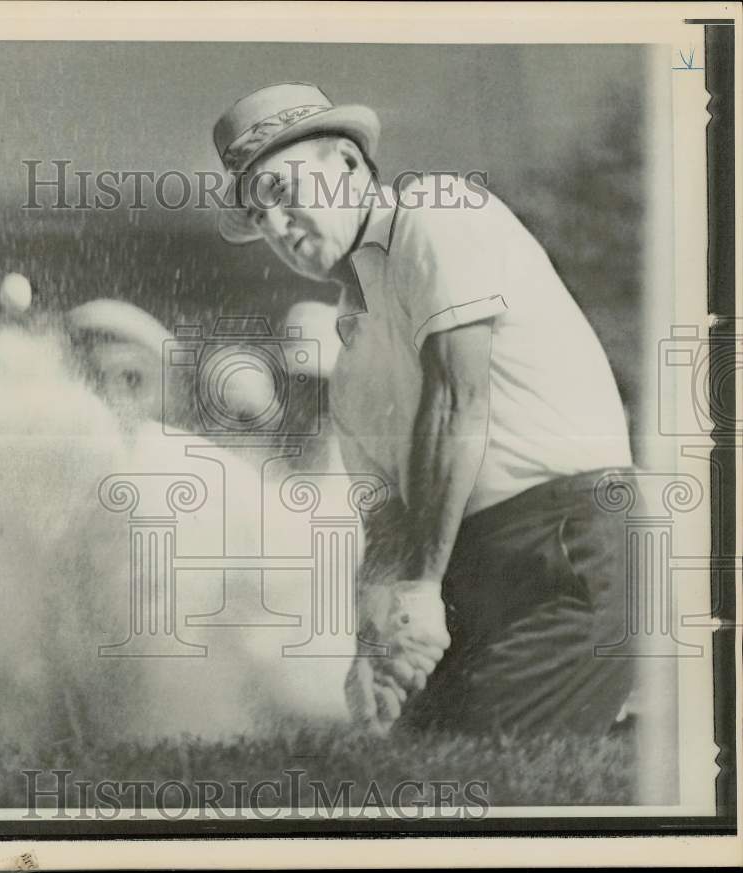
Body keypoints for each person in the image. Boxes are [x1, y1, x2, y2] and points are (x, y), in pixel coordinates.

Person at [210, 82, 636, 737]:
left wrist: (416, 591)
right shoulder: (351, 356)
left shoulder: (437, 211)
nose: (274, 225)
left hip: (561, 550)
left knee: (480, 782)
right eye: (257, 215)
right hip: (461, 577)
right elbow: (386, 525)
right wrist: (372, 645)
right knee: (408, 769)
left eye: (280, 193)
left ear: (348, 166)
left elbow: (457, 398)